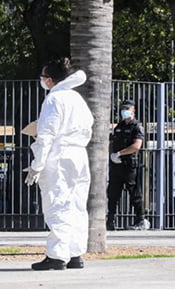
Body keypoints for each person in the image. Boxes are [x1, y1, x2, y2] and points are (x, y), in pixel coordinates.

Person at [25, 58, 93, 271]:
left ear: (51, 80)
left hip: (60, 156)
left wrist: (37, 164)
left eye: (44, 77)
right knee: (76, 205)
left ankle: (56, 256)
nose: (43, 81)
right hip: (80, 155)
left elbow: (46, 135)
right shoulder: (77, 98)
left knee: (57, 203)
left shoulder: (54, 99)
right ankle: (75, 253)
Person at [107, 100, 149, 231]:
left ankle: (140, 220)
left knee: (134, 193)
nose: (124, 111)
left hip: (130, 165)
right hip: (116, 165)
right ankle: (110, 220)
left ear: (133, 110)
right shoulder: (119, 126)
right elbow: (112, 142)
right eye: (123, 108)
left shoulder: (137, 126)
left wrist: (120, 153)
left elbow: (136, 146)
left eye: (127, 108)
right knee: (113, 193)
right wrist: (112, 155)